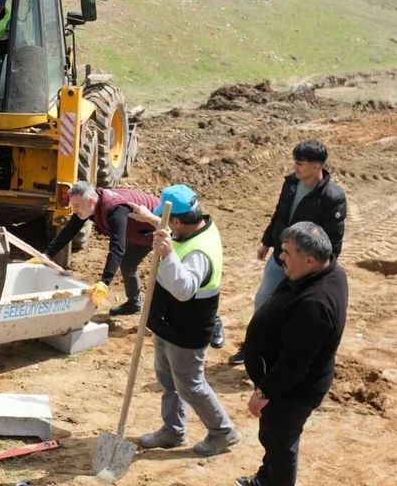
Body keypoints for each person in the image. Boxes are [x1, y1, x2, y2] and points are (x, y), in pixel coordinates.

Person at [128, 184, 240, 456]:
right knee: (167, 381)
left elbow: (183, 290)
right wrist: (150, 218)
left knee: (190, 386)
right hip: (168, 322)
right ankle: (173, 430)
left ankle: (223, 432)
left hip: (187, 329)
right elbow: (177, 232)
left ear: (177, 221)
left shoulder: (199, 252)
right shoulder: (197, 227)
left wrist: (166, 254)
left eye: (168, 220)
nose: (166, 224)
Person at [236, 222, 348, 486]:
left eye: (287, 251)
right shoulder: (326, 272)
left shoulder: (315, 304)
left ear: (310, 259)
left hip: (292, 391)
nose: (281, 256)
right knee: (276, 441)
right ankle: (266, 479)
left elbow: (294, 364)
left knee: (280, 443)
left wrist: (264, 393)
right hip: (290, 384)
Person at [228, 139, 346, 365]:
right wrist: (266, 241)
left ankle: (284, 355)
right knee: (263, 301)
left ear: (316, 166)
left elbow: (334, 240)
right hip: (280, 258)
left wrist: (322, 273)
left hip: (306, 268)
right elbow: (280, 215)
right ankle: (252, 346)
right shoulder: (291, 184)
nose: (295, 167)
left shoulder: (333, 198)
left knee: (295, 312)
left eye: (300, 163)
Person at [36, 181, 158, 315]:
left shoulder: (115, 210)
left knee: (138, 265)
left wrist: (104, 283)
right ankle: (134, 304)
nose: (74, 210)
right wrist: (46, 255)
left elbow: (117, 248)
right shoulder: (89, 205)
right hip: (133, 228)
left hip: (155, 227)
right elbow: (69, 231)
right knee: (127, 263)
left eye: (77, 206)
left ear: (91, 202)